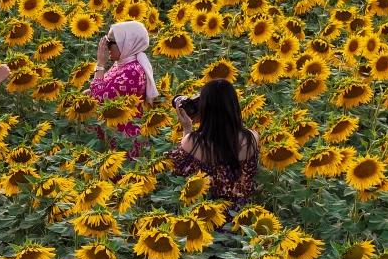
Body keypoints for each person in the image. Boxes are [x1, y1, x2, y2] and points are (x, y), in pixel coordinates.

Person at [168, 79, 260, 204]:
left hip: (207, 214)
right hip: (241, 216)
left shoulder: (192, 142)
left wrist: (187, 128)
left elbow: (180, 172)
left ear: (204, 107)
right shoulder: (252, 137)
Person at [88, 20, 159, 157]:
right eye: (106, 40)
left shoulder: (133, 72)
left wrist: (100, 64)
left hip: (123, 145)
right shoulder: (121, 63)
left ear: (126, 43)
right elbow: (102, 86)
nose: (106, 46)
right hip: (111, 138)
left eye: (110, 42)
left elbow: (100, 99)